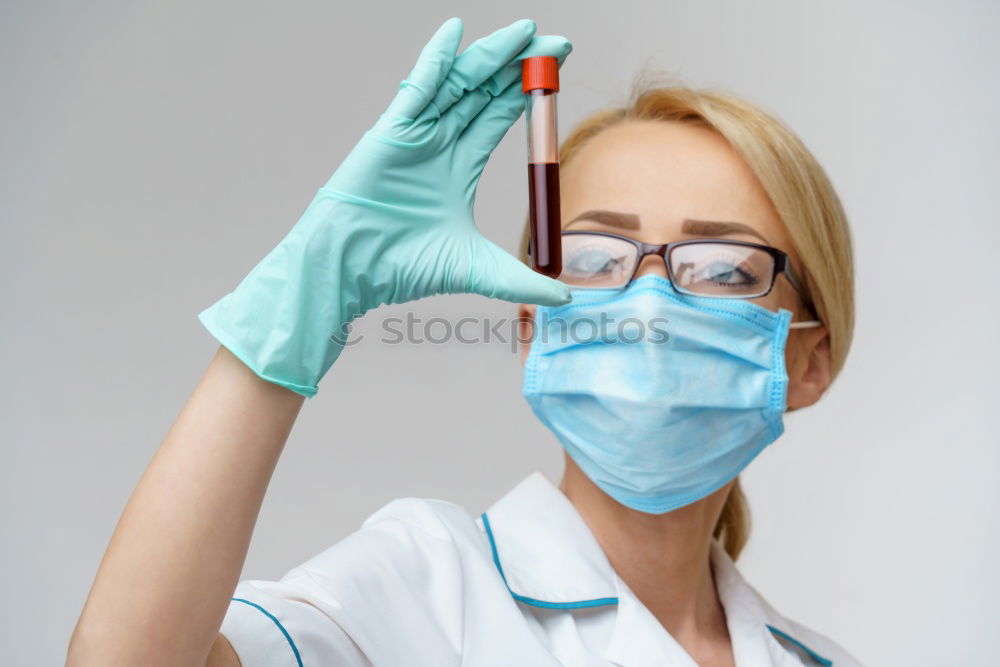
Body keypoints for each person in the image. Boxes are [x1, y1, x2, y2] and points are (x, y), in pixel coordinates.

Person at [67, 16, 863, 667]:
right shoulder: (425, 586)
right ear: (531, 325)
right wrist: (309, 295)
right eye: (593, 259)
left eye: (721, 269)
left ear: (808, 358)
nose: (647, 309)